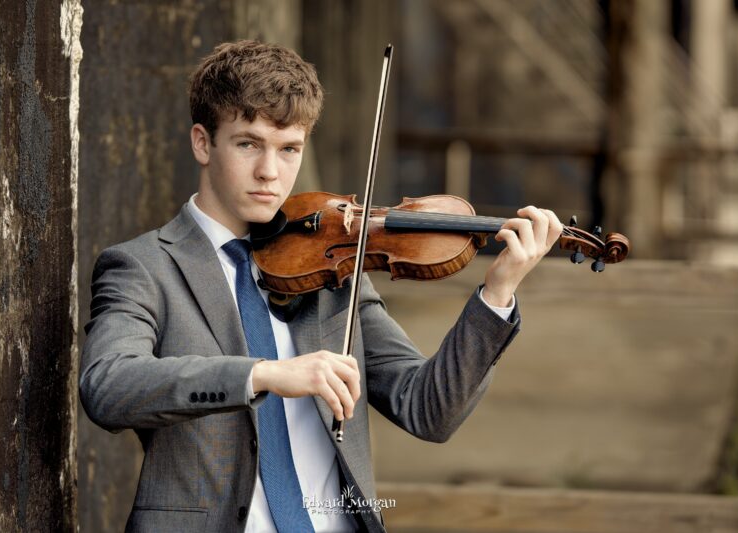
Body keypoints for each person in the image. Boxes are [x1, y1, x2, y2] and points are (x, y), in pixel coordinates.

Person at [80, 40, 563, 533]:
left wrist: (497, 293)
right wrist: (263, 375)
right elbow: (108, 385)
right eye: (248, 144)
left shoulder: (332, 267)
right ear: (203, 143)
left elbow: (428, 410)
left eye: (289, 149)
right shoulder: (144, 266)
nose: (270, 172)